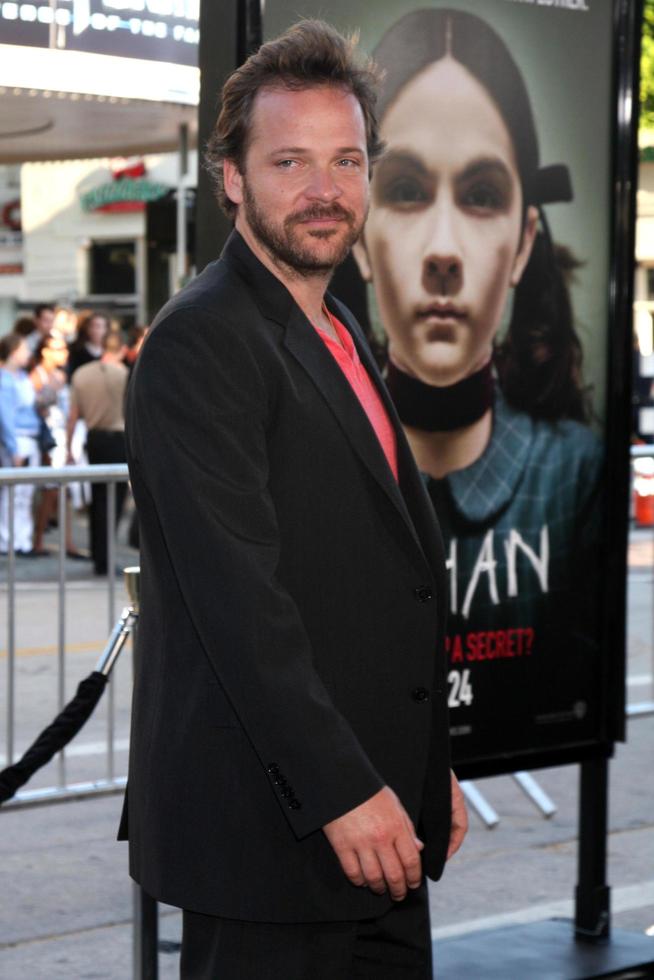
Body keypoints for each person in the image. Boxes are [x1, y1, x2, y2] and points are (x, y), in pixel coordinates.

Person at [120, 19, 466, 979]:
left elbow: (364, 579)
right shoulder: (200, 342)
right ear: (230, 177)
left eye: (346, 160)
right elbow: (243, 605)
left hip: (377, 818)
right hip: (277, 833)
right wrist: (343, 789)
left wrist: (419, 760)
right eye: (290, 162)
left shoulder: (341, 327)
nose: (325, 191)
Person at [352, 8, 603, 758]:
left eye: (483, 195)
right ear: (360, 234)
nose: (442, 251)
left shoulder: (577, 474)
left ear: (524, 241)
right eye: (403, 189)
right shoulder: (309, 461)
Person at [66, 329, 128, 575]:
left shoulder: (82, 374)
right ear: (121, 350)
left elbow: (73, 416)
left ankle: (97, 554)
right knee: (114, 502)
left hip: (94, 439)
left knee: (97, 499)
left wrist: (70, 447)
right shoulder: (123, 374)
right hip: (117, 438)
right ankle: (105, 556)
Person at [0, 333, 42, 555]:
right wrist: (13, 447)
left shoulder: (22, 377)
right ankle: (8, 540)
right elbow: (5, 416)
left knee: (24, 494)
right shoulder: (5, 379)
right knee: (12, 493)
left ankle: (21, 540)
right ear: (13, 351)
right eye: (24, 349)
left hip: (29, 438)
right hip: (18, 440)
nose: (28, 353)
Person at [66, 311, 109, 379]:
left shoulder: (109, 351)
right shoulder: (76, 350)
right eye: (92, 326)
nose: (95, 330)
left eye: (98, 326)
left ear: (106, 329)